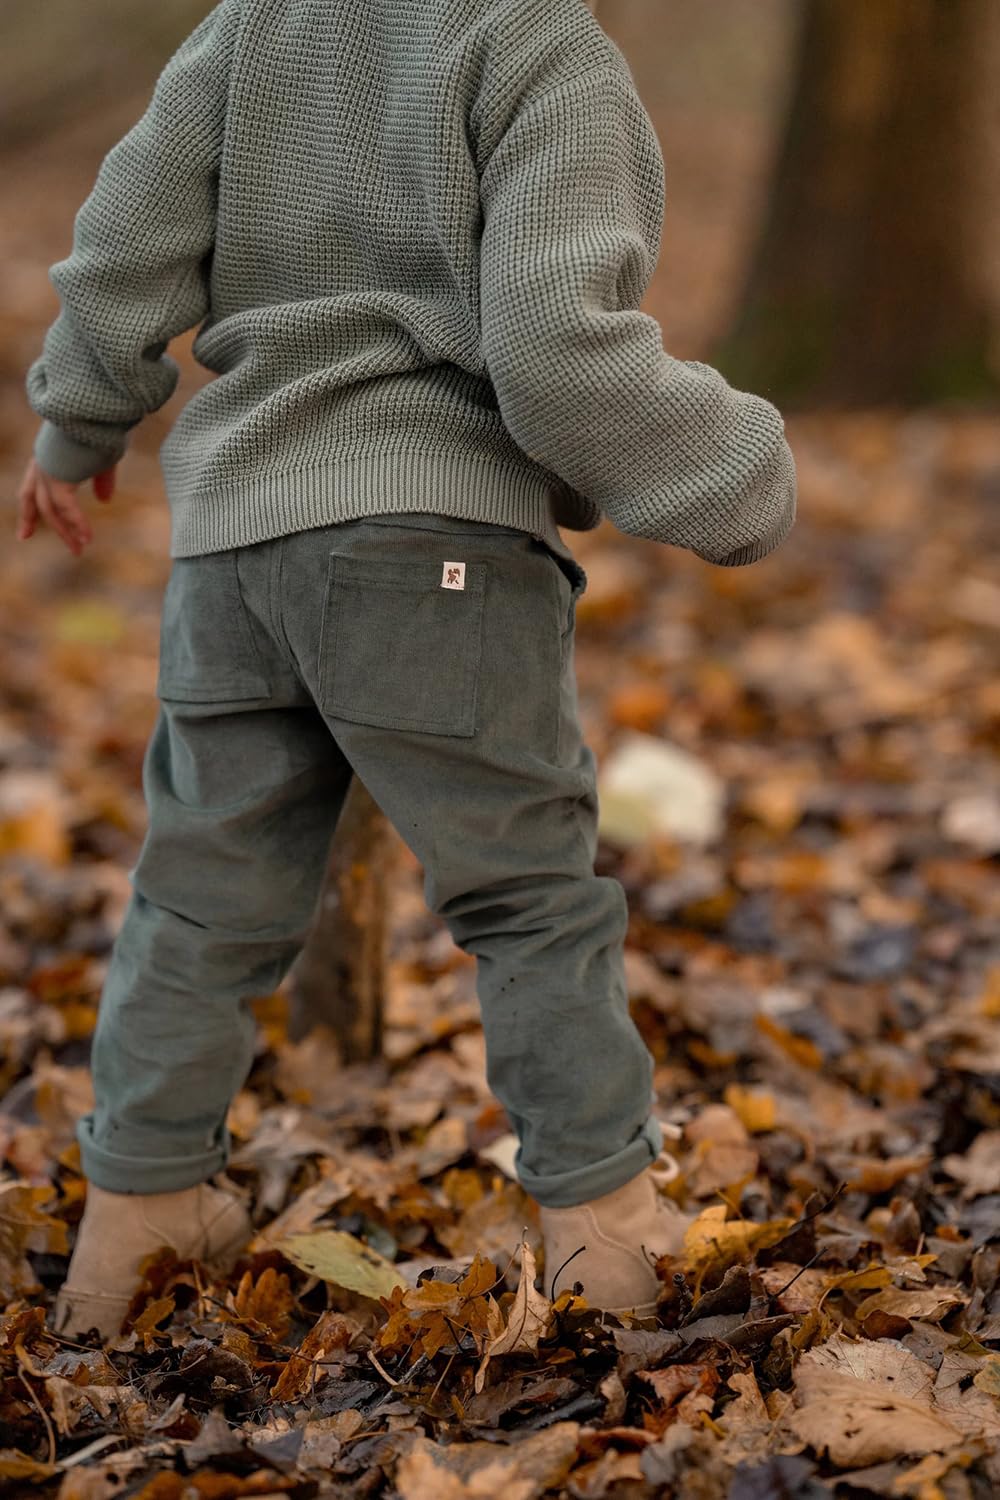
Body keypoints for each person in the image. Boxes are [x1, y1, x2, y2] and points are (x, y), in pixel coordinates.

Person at [18, 0, 796, 1339]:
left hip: (233, 549)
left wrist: (76, 424)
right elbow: (555, 354)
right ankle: (605, 1232)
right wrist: (739, 472)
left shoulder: (252, 28)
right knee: (529, 900)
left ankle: (136, 1214)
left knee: (199, 903)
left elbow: (128, 238)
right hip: (433, 541)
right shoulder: (538, 44)